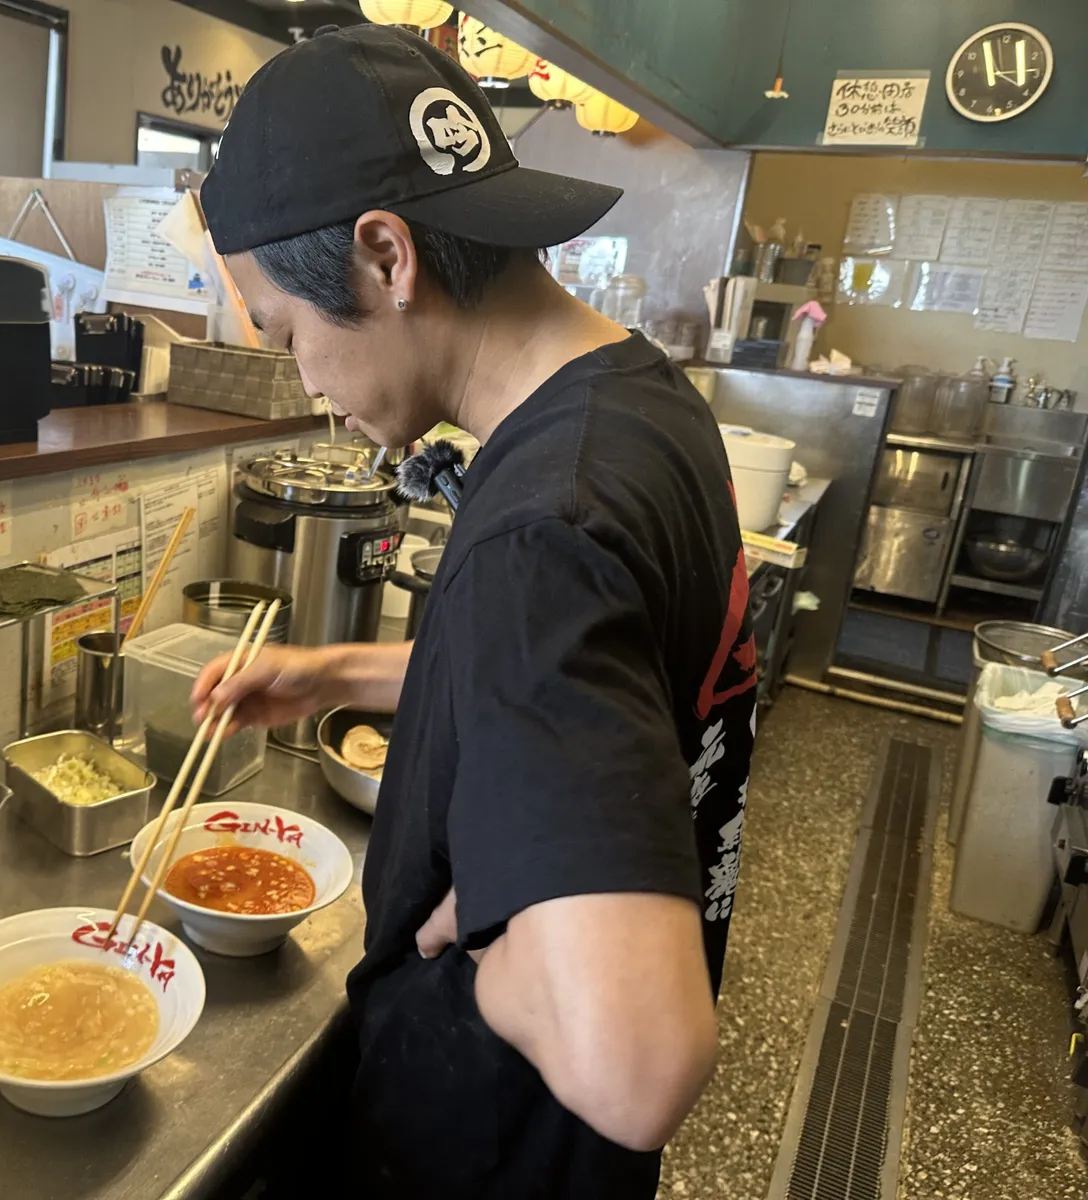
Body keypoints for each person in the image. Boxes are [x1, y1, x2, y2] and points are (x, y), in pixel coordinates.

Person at [193, 24, 757, 1200]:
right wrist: (345, 671)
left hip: (490, 1146)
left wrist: (495, 946)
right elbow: (604, 679)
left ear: (386, 256)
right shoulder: (638, 404)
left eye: (289, 332)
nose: (303, 380)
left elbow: (639, 1062)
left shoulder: (537, 533)